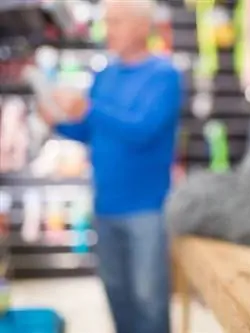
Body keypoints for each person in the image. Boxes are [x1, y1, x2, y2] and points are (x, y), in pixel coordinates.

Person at [38, 1, 183, 332]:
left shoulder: (164, 76)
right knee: (117, 296)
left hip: (147, 210)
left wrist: (88, 109)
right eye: (107, 21)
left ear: (141, 26)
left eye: (116, 21)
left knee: (149, 302)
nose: (109, 29)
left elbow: (142, 129)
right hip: (105, 208)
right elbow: (92, 130)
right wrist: (57, 122)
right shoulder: (104, 74)